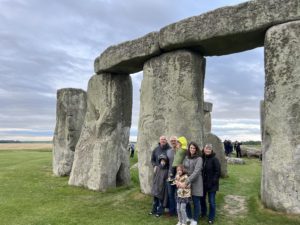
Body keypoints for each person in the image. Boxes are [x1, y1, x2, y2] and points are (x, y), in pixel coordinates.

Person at [182, 142, 203, 225]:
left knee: (196, 202)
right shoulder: (186, 157)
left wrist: (187, 181)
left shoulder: (199, 158)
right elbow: (184, 167)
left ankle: (195, 219)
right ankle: (189, 217)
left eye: (194, 148)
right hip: (187, 180)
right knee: (186, 200)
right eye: (191, 148)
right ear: (189, 148)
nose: (192, 149)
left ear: (196, 149)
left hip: (197, 182)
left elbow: (197, 172)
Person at [200, 144, 221, 224]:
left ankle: (211, 217)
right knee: (202, 200)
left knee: (211, 201)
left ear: (211, 150)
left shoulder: (214, 159)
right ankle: (203, 213)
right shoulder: (202, 158)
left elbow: (217, 172)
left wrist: (213, 181)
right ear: (204, 149)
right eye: (206, 149)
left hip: (212, 184)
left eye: (209, 149)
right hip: (203, 184)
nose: (207, 150)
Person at [166, 136, 178, 216]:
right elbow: (167, 163)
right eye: (171, 141)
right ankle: (171, 211)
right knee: (170, 194)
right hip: (170, 175)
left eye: (174, 140)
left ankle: (178, 211)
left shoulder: (181, 151)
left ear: (177, 141)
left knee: (177, 195)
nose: (173, 142)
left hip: (178, 176)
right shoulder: (168, 151)